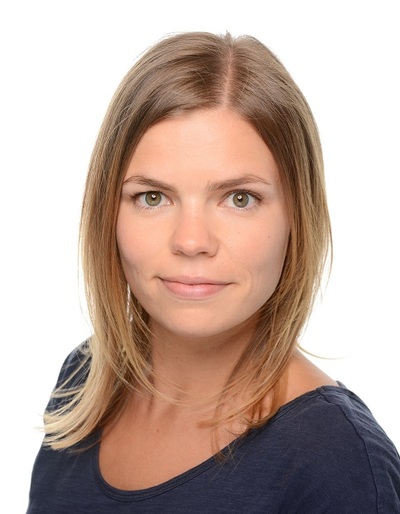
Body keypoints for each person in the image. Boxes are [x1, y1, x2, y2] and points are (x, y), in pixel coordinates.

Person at [27, 31, 400, 513]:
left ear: (297, 216)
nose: (191, 241)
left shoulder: (336, 460)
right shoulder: (83, 380)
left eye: (239, 198)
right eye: (153, 197)